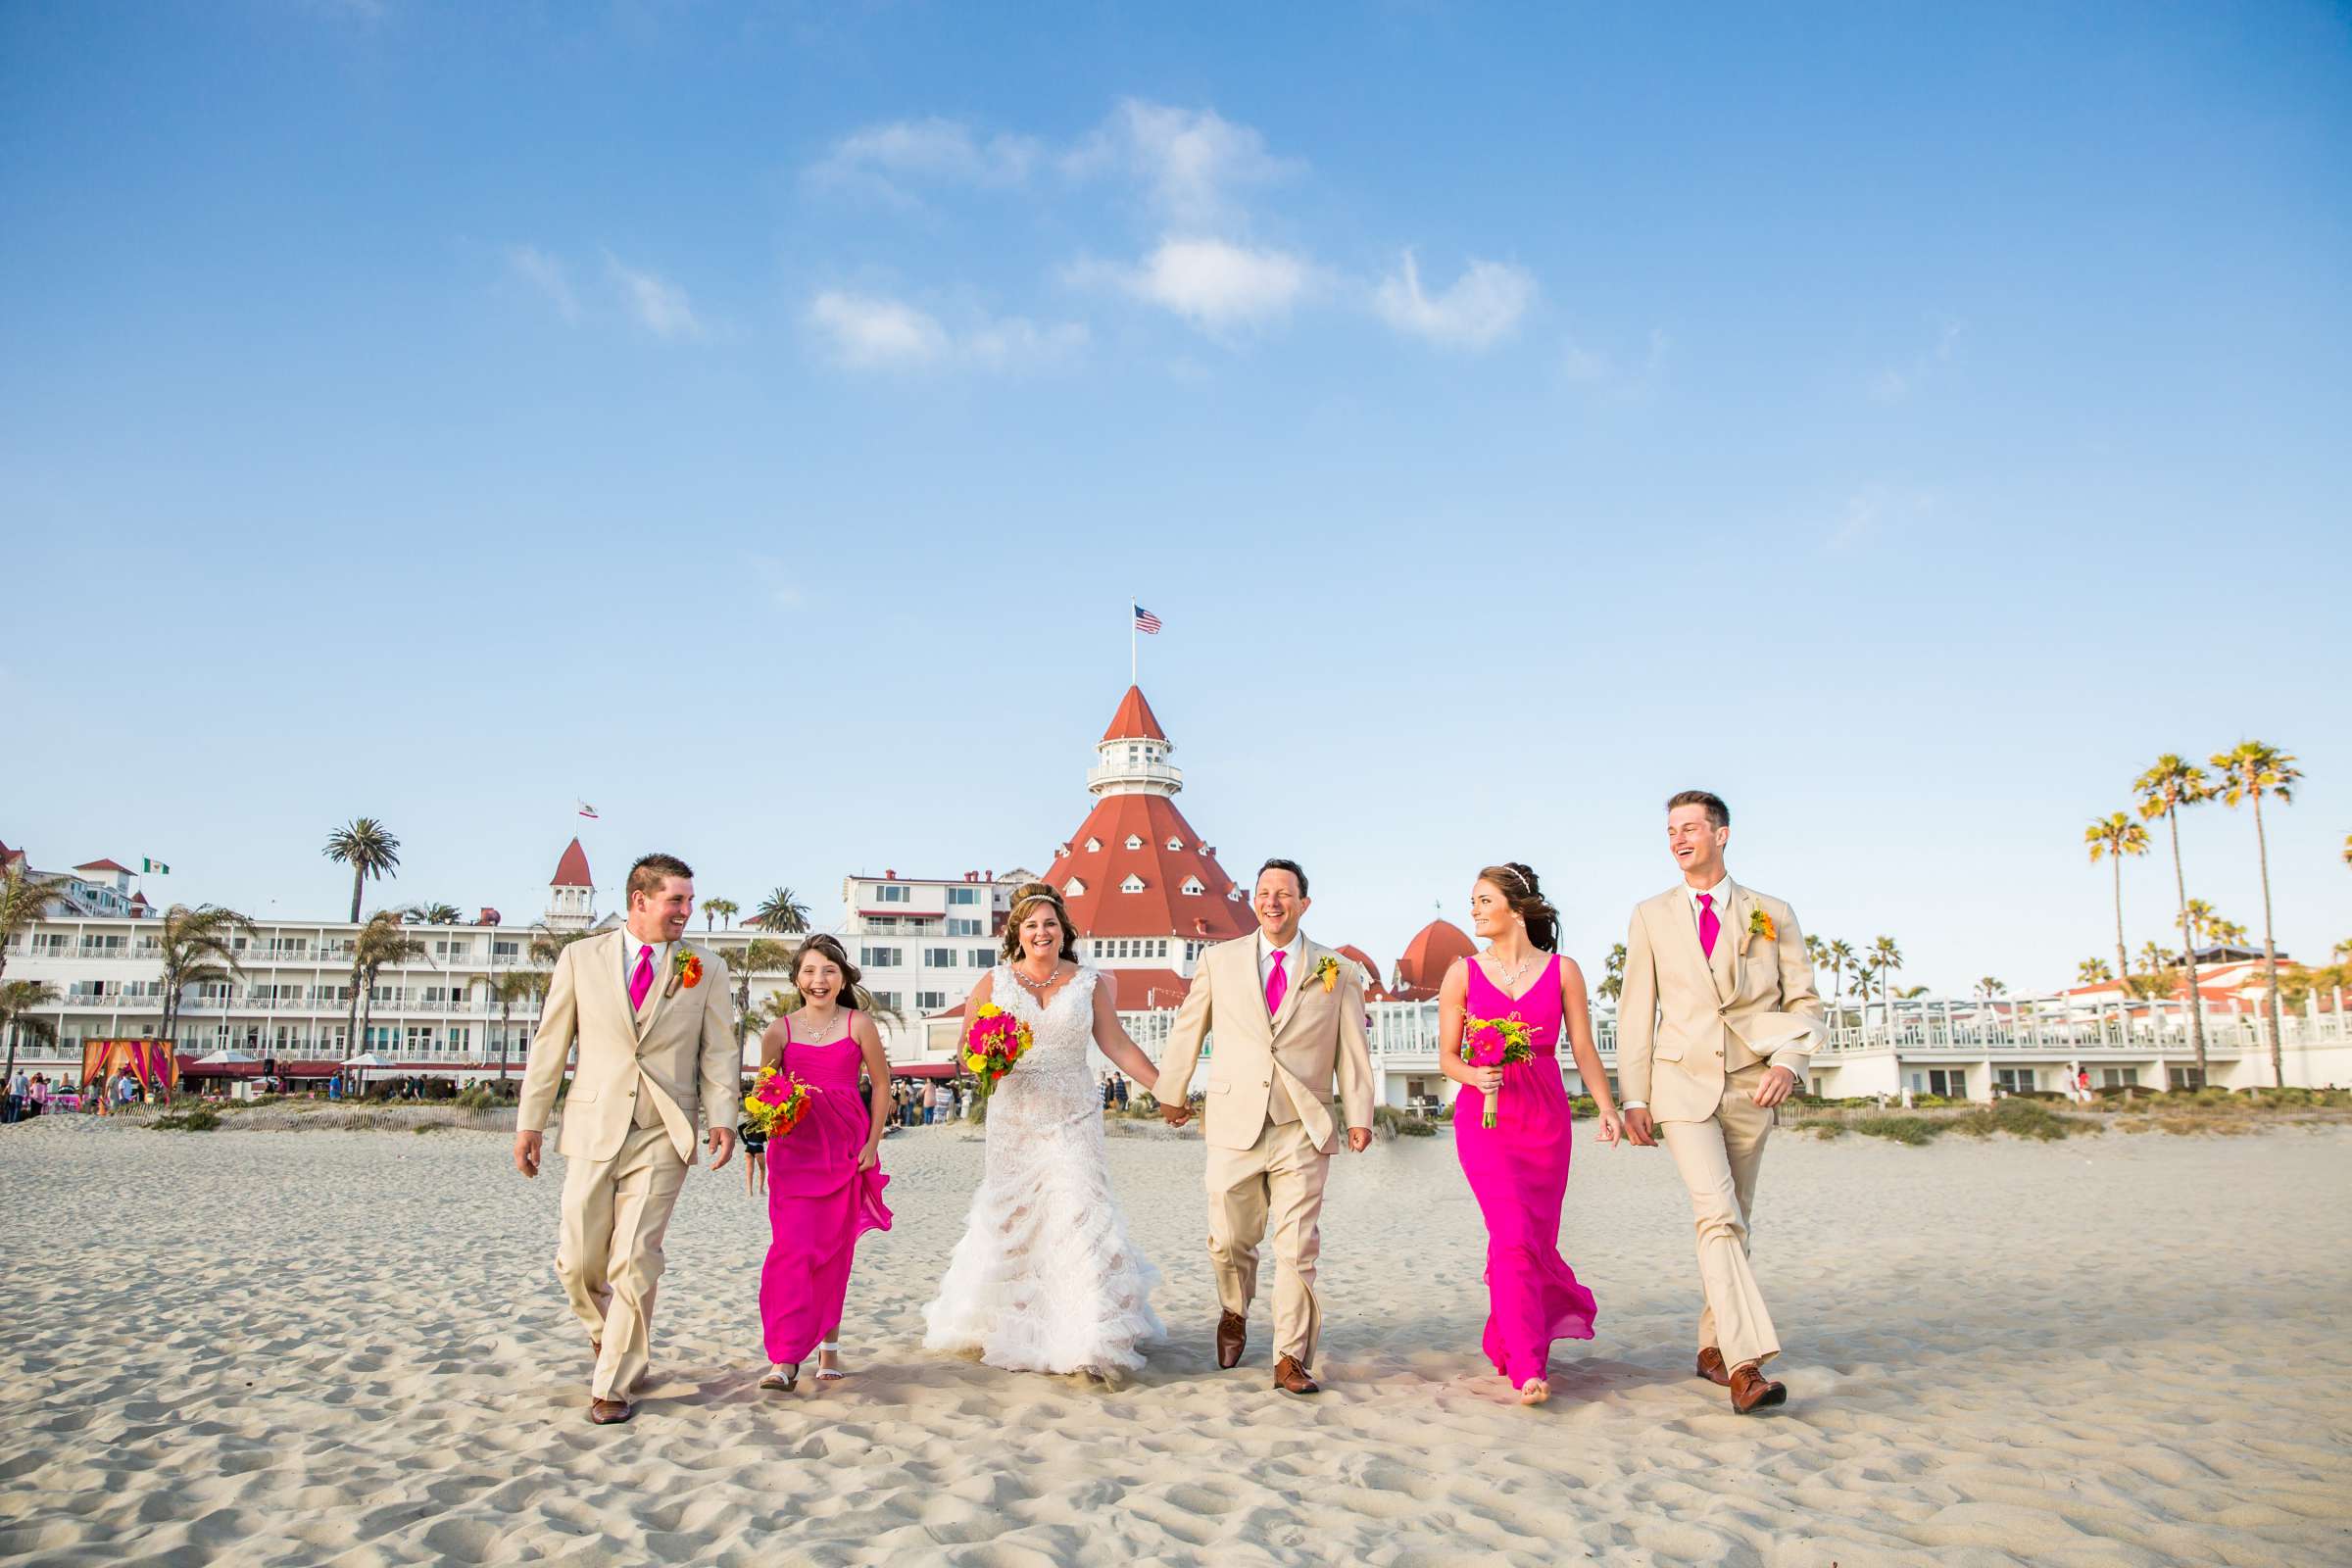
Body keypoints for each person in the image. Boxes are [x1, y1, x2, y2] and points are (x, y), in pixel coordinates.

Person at [1617, 791, 1824, 1415]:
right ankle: (1745, 1365)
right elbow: (1636, 1009)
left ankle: (1711, 1346)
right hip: (1681, 1087)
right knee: (1716, 1212)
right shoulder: (1650, 915)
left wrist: (1790, 1063)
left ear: (1722, 835)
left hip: (1753, 1083)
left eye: (1691, 828)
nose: (1679, 839)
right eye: (1671, 831)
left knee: (1736, 1219)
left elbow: (1805, 1003)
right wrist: (1634, 1096)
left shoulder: (1772, 913)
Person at [514, 853, 739, 1426]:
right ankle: (607, 1332)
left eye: (689, 900)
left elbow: (718, 1051)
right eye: (676, 901)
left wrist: (722, 1116)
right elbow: (551, 1043)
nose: (686, 911)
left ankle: (612, 1379)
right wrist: (530, 1122)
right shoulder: (579, 958)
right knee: (576, 1261)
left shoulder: (705, 968)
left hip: (666, 1129)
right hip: (592, 1124)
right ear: (640, 901)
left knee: (636, 1257)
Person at [922, 881, 1167, 1380]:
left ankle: (1088, 1336)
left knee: (1079, 1212)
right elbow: (967, 1054)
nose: (1041, 932)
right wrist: (987, 1058)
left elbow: (1117, 1045)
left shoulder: (1089, 982)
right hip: (1014, 1117)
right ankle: (1016, 1327)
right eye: (1031, 925)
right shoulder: (994, 983)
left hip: (1074, 1113)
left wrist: (1166, 1089)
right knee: (1016, 1221)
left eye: (1050, 924)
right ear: (1017, 933)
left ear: (1063, 931)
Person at [1152, 858, 1376, 1396]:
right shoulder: (1219, 960)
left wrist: (1360, 1114)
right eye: (1264, 892)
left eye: (1285, 893)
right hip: (1234, 1121)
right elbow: (1190, 1027)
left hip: (1304, 1122)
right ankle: (1234, 1308)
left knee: (1297, 1246)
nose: (1273, 901)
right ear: (1255, 901)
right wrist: (1171, 1091)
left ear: (1304, 903)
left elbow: (1353, 1049)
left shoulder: (1337, 971)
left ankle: (1290, 1357)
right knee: (1229, 1239)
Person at [1438, 863, 1618, 1405]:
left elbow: (1583, 1048)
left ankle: (1508, 1337)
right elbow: (1446, 1056)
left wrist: (1605, 1107)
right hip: (1485, 1118)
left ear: (1517, 908)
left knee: (1532, 1239)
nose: (1474, 909)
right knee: (1512, 1232)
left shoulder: (1564, 971)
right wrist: (1473, 1073)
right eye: (1472, 900)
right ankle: (1529, 1367)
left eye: (1484, 900)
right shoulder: (1462, 973)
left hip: (1545, 1117)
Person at [754, 935, 892, 1393]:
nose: (819, 980)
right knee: (791, 1252)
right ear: (797, 978)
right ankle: (784, 1356)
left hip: (847, 1149)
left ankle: (828, 1345)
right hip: (794, 1152)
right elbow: (763, 1094)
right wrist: (766, 1123)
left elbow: (882, 1087)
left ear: (842, 978)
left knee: (833, 1253)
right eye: (810, 971)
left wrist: (872, 1144)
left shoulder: (859, 1025)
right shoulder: (778, 1031)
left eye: (829, 971)